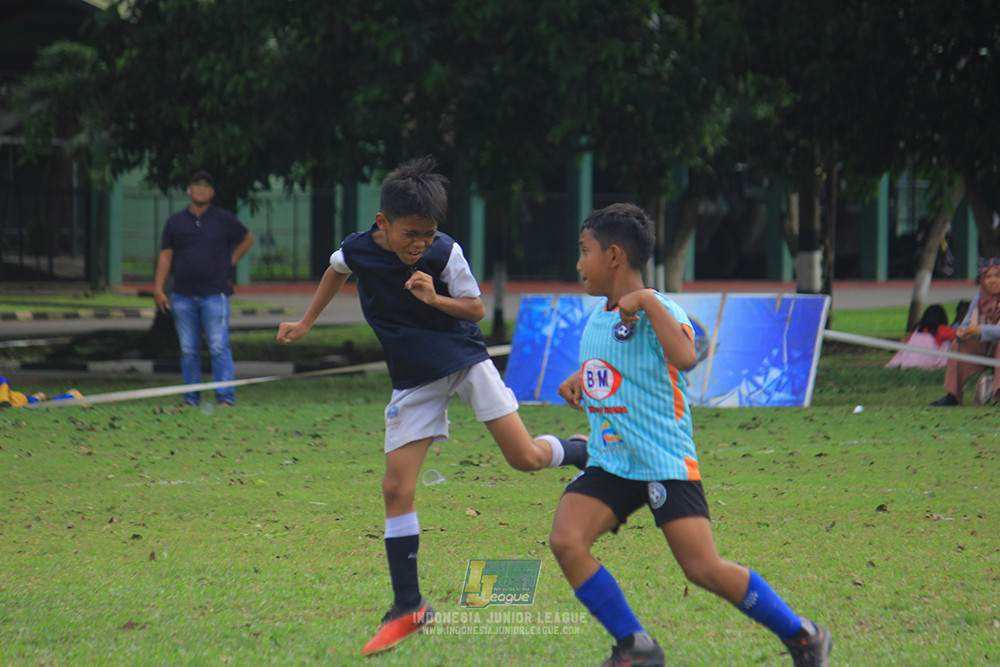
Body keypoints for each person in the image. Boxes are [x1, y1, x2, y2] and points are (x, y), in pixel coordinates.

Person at [275, 157, 587, 657]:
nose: (420, 243)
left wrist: (432, 298)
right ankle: (408, 606)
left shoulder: (444, 254)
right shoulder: (358, 248)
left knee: (524, 458)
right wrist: (307, 323)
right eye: (410, 233)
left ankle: (580, 452)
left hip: (464, 360)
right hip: (414, 379)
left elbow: (476, 309)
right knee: (396, 487)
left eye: (429, 232)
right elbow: (336, 271)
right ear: (383, 224)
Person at [548, 203, 832, 667]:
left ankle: (803, 635)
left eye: (585, 252)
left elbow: (684, 357)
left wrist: (649, 303)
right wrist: (580, 378)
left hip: (663, 462)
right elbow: (613, 370)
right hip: (613, 463)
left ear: (614, 256)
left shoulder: (662, 308)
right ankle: (635, 646)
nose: (579, 264)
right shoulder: (598, 318)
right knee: (566, 540)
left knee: (702, 568)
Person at [153, 170, 254, 407]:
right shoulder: (175, 222)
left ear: (212, 192)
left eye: (206, 186)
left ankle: (225, 397)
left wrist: (228, 262)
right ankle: (191, 398)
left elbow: (247, 238)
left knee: (219, 346)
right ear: (189, 189)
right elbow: (166, 257)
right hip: (182, 296)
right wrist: (158, 288)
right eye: (197, 184)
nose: (201, 189)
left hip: (214, 294)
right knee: (188, 350)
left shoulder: (224, 218)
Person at [930, 258, 1000, 406]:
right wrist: (961, 332)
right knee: (959, 343)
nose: (992, 280)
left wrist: (979, 330)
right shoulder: (980, 297)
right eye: (988, 277)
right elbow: (967, 323)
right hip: (987, 346)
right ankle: (953, 395)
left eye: (997, 276)